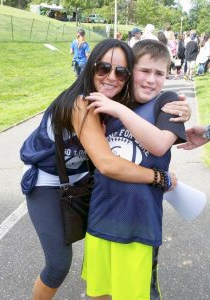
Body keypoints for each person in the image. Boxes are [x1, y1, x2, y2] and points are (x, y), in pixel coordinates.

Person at [20, 39, 190, 300]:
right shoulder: (81, 102)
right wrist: (161, 177)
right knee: (58, 265)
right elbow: (108, 164)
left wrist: (187, 130)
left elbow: (142, 130)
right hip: (49, 184)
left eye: (120, 72)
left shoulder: (113, 103)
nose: (112, 77)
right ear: (90, 67)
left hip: (88, 187)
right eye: (103, 68)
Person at [82, 39, 187, 299]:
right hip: (101, 217)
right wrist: (116, 106)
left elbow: (161, 144)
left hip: (139, 225)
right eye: (144, 71)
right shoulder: (114, 101)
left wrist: (119, 111)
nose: (151, 79)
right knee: (99, 292)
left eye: (159, 73)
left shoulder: (167, 101)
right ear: (130, 72)